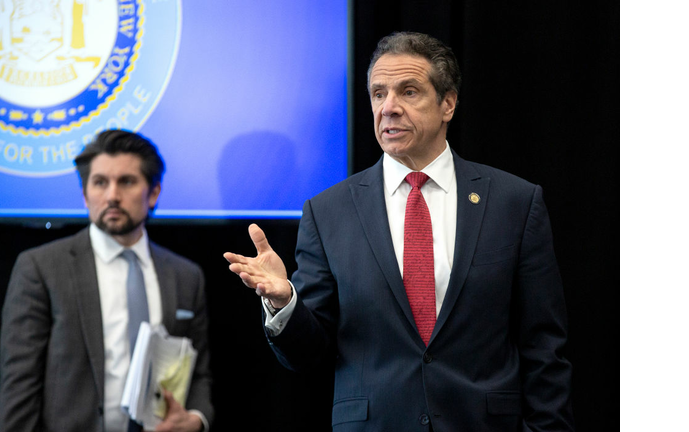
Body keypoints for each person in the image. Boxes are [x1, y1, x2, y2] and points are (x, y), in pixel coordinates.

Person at [224, 32, 574, 431]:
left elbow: (544, 347)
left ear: (448, 103)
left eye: (408, 92)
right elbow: (309, 354)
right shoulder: (328, 212)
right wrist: (285, 302)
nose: (388, 108)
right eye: (378, 94)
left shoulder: (514, 202)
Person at [0, 130, 213, 432]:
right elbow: (19, 384)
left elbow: (199, 372)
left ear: (153, 193)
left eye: (126, 181)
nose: (112, 195)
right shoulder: (41, 267)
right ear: (85, 195)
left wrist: (197, 420)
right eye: (100, 182)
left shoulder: (186, 276)